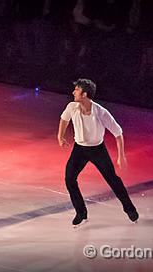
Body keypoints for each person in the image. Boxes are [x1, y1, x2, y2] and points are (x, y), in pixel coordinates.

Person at [57, 78, 138, 227]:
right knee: (69, 179)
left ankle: (130, 209)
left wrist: (121, 156)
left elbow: (118, 133)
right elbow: (64, 119)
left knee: (112, 179)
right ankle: (81, 212)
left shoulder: (101, 112)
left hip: (97, 150)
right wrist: (60, 136)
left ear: (85, 94)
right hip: (79, 149)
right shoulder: (72, 107)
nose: (73, 92)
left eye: (76, 90)